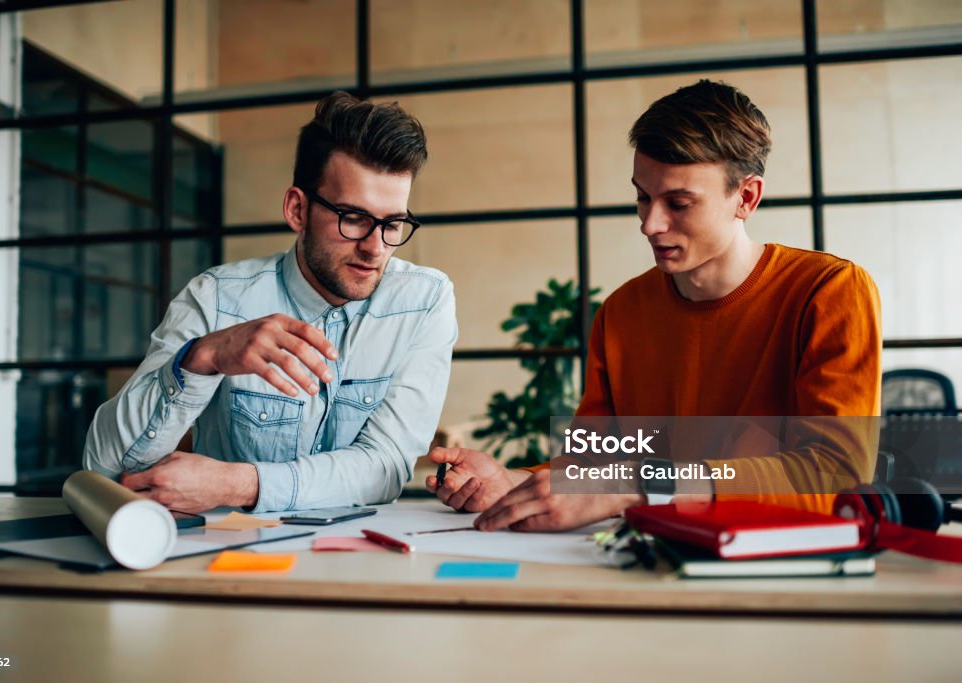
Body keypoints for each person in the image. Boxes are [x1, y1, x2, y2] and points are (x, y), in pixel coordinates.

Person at [427, 79, 881, 532]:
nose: (650, 224)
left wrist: (641, 483)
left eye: (678, 203)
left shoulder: (830, 292)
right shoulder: (622, 312)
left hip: (783, 569)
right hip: (645, 559)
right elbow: (595, 465)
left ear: (746, 197)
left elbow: (832, 473)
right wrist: (515, 482)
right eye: (643, 197)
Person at [84, 92, 457, 513]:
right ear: (298, 209)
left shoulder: (424, 300)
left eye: (392, 223)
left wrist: (241, 485)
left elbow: (385, 466)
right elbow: (105, 468)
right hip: (223, 561)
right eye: (353, 218)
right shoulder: (217, 298)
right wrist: (202, 358)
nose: (375, 248)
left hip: (357, 563)